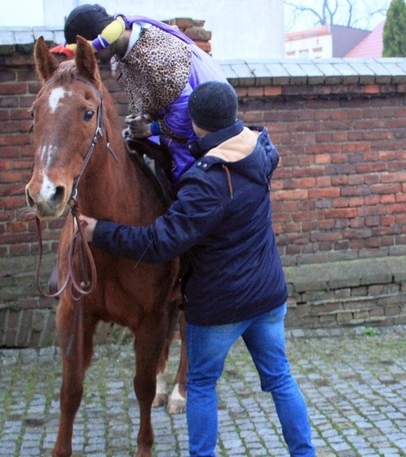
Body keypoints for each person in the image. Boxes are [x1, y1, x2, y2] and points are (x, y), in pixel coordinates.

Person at [77, 81, 316, 457]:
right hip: (268, 296)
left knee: (201, 384)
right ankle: (305, 454)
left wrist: (100, 231)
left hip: (219, 305)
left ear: (195, 123)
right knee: (281, 379)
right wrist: (159, 133)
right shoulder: (262, 149)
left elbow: (161, 242)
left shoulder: (206, 181)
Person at [58, 3, 227, 181]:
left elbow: (185, 114)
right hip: (185, 126)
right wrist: (145, 119)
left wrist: (150, 128)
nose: (93, 59)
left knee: (186, 193)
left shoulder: (154, 59)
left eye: (92, 52)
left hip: (205, 134)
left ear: (105, 38)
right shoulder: (132, 42)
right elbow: (163, 100)